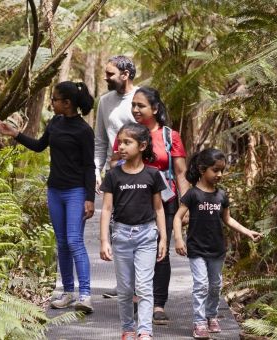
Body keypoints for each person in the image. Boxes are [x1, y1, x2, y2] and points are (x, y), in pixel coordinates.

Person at [0, 81, 96, 314]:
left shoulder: (83, 130)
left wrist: (89, 198)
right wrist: (15, 134)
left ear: (67, 103)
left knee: (74, 240)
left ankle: (85, 295)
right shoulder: (55, 123)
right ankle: (68, 292)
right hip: (55, 190)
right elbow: (40, 146)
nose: (52, 103)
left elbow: (89, 166)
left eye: (55, 99)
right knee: (62, 242)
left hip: (76, 192)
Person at [110, 87, 189, 324]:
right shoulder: (127, 133)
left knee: (160, 252)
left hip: (165, 201)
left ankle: (158, 304)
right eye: (133, 105)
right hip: (133, 199)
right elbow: (115, 164)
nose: (135, 110)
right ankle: (136, 298)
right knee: (133, 249)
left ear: (154, 109)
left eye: (141, 106)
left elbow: (181, 172)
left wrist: (186, 208)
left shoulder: (169, 136)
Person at [173, 148, 262, 339]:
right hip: (196, 248)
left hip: (217, 249)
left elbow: (228, 220)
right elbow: (178, 217)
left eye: (222, 170)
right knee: (201, 285)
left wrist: (248, 232)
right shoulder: (192, 194)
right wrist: (179, 239)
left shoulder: (221, 195)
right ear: (202, 169)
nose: (219, 174)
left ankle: (211, 316)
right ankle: (199, 321)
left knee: (215, 285)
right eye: (215, 170)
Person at [99, 122, 167, 340]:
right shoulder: (113, 175)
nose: (121, 146)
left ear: (142, 145)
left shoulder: (153, 174)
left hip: (147, 235)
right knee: (126, 289)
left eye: (127, 142)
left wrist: (163, 237)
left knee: (145, 287)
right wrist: (104, 241)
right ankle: (128, 329)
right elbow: (107, 209)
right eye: (120, 142)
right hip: (121, 236)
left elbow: (159, 208)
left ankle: (145, 330)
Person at [94, 55, 139, 299]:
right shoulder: (104, 102)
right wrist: (96, 170)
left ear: (125, 74)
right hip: (116, 172)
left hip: (141, 171)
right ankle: (124, 282)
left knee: (142, 225)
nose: (106, 77)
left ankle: (139, 284)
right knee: (117, 226)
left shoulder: (142, 97)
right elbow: (100, 139)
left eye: (110, 74)